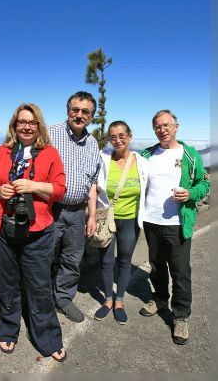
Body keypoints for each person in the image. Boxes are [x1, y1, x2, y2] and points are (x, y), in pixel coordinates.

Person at [0, 103, 67, 362]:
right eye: (22, 122)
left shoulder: (49, 154)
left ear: (39, 126)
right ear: (15, 125)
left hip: (37, 232)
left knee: (39, 287)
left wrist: (33, 185)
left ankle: (48, 338)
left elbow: (60, 189)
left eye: (32, 122)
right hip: (0, 229)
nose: (27, 126)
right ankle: (8, 330)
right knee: (7, 284)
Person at [139, 109, 210, 345]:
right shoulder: (147, 154)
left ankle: (181, 315)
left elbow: (203, 184)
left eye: (166, 125)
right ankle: (160, 299)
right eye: (158, 126)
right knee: (157, 267)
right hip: (151, 222)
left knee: (180, 271)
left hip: (177, 223)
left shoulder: (190, 154)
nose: (162, 130)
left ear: (176, 127)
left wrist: (190, 193)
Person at [49, 91, 100, 323]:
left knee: (72, 258)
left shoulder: (92, 143)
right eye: (75, 110)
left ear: (91, 117)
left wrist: (91, 215)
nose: (79, 115)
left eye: (85, 112)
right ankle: (42, 301)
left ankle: (64, 299)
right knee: (44, 256)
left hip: (78, 211)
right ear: (68, 110)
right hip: (52, 209)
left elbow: (92, 183)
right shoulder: (51, 133)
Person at [93, 121, 147, 324]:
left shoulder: (142, 162)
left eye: (122, 135)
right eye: (113, 137)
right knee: (106, 261)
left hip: (130, 220)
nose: (118, 140)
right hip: (106, 219)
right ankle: (108, 300)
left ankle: (119, 302)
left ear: (130, 136)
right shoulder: (103, 160)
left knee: (124, 261)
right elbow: (93, 187)